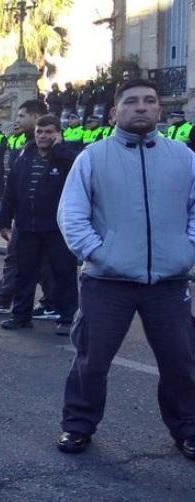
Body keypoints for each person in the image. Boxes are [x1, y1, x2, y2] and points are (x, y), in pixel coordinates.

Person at [55, 79, 195, 461]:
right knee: (91, 359)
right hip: (107, 281)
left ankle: (188, 428)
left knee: (181, 360)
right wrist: (100, 253)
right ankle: (78, 425)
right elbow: (72, 215)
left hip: (169, 281)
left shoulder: (183, 157)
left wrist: (187, 250)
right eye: (131, 102)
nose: (141, 107)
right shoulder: (93, 158)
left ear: (159, 110)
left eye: (150, 101)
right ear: (115, 112)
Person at [0, 116, 79, 334]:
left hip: (56, 228)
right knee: (25, 274)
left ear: (58, 134)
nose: (43, 136)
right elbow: (10, 191)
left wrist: (59, 149)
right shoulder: (23, 157)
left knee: (63, 273)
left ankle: (67, 317)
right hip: (26, 227)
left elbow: (78, 187)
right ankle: (21, 316)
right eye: (39, 132)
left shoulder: (67, 158)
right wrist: (4, 221)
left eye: (49, 132)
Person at [0, 100, 56, 316]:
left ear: (36, 117)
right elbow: (14, 185)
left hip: (44, 218)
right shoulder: (27, 146)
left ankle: (51, 303)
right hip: (24, 215)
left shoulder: (53, 149)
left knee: (40, 261)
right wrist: (5, 218)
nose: (16, 121)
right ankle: (5, 299)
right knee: (18, 257)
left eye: (21, 116)